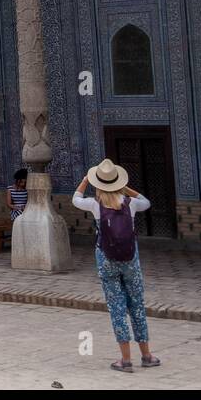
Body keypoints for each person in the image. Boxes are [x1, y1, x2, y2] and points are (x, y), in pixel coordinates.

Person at [73, 159, 161, 373]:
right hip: (131, 260)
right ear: (117, 182)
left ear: (98, 183)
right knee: (137, 306)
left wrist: (85, 181)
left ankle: (125, 359)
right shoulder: (131, 204)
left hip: (106, 260)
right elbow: (146, 201)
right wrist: (126, 188)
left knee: (118, 309)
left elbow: (75, 199)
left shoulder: (95, 205)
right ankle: (147, 355)